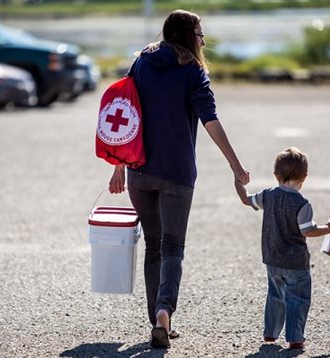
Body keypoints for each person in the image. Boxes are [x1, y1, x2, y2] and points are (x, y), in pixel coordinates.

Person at [108, 9, 250, 348]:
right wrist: (235, 165)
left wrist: (117, 166)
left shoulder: (141, 62)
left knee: (153, 247)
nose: (202, 39)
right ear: (188, 36)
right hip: (177, 174)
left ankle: (156, 319)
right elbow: (210, 120)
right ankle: (163, 314)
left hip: (138, 172)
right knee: (172, 247)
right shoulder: (192, 71)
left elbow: (123, 114)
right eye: (200, 33)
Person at [234, 146, 330, 350]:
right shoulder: (302, 203)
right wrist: (328, 228)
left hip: (272, 259)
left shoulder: (267, 195)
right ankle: (295, 338)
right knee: (297, 299)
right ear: (304, 177)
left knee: (275, 296)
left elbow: (246, 199)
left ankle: (271, 333)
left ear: (275, 175)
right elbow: (308, 230)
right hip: (296, 263)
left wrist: (238, 182)